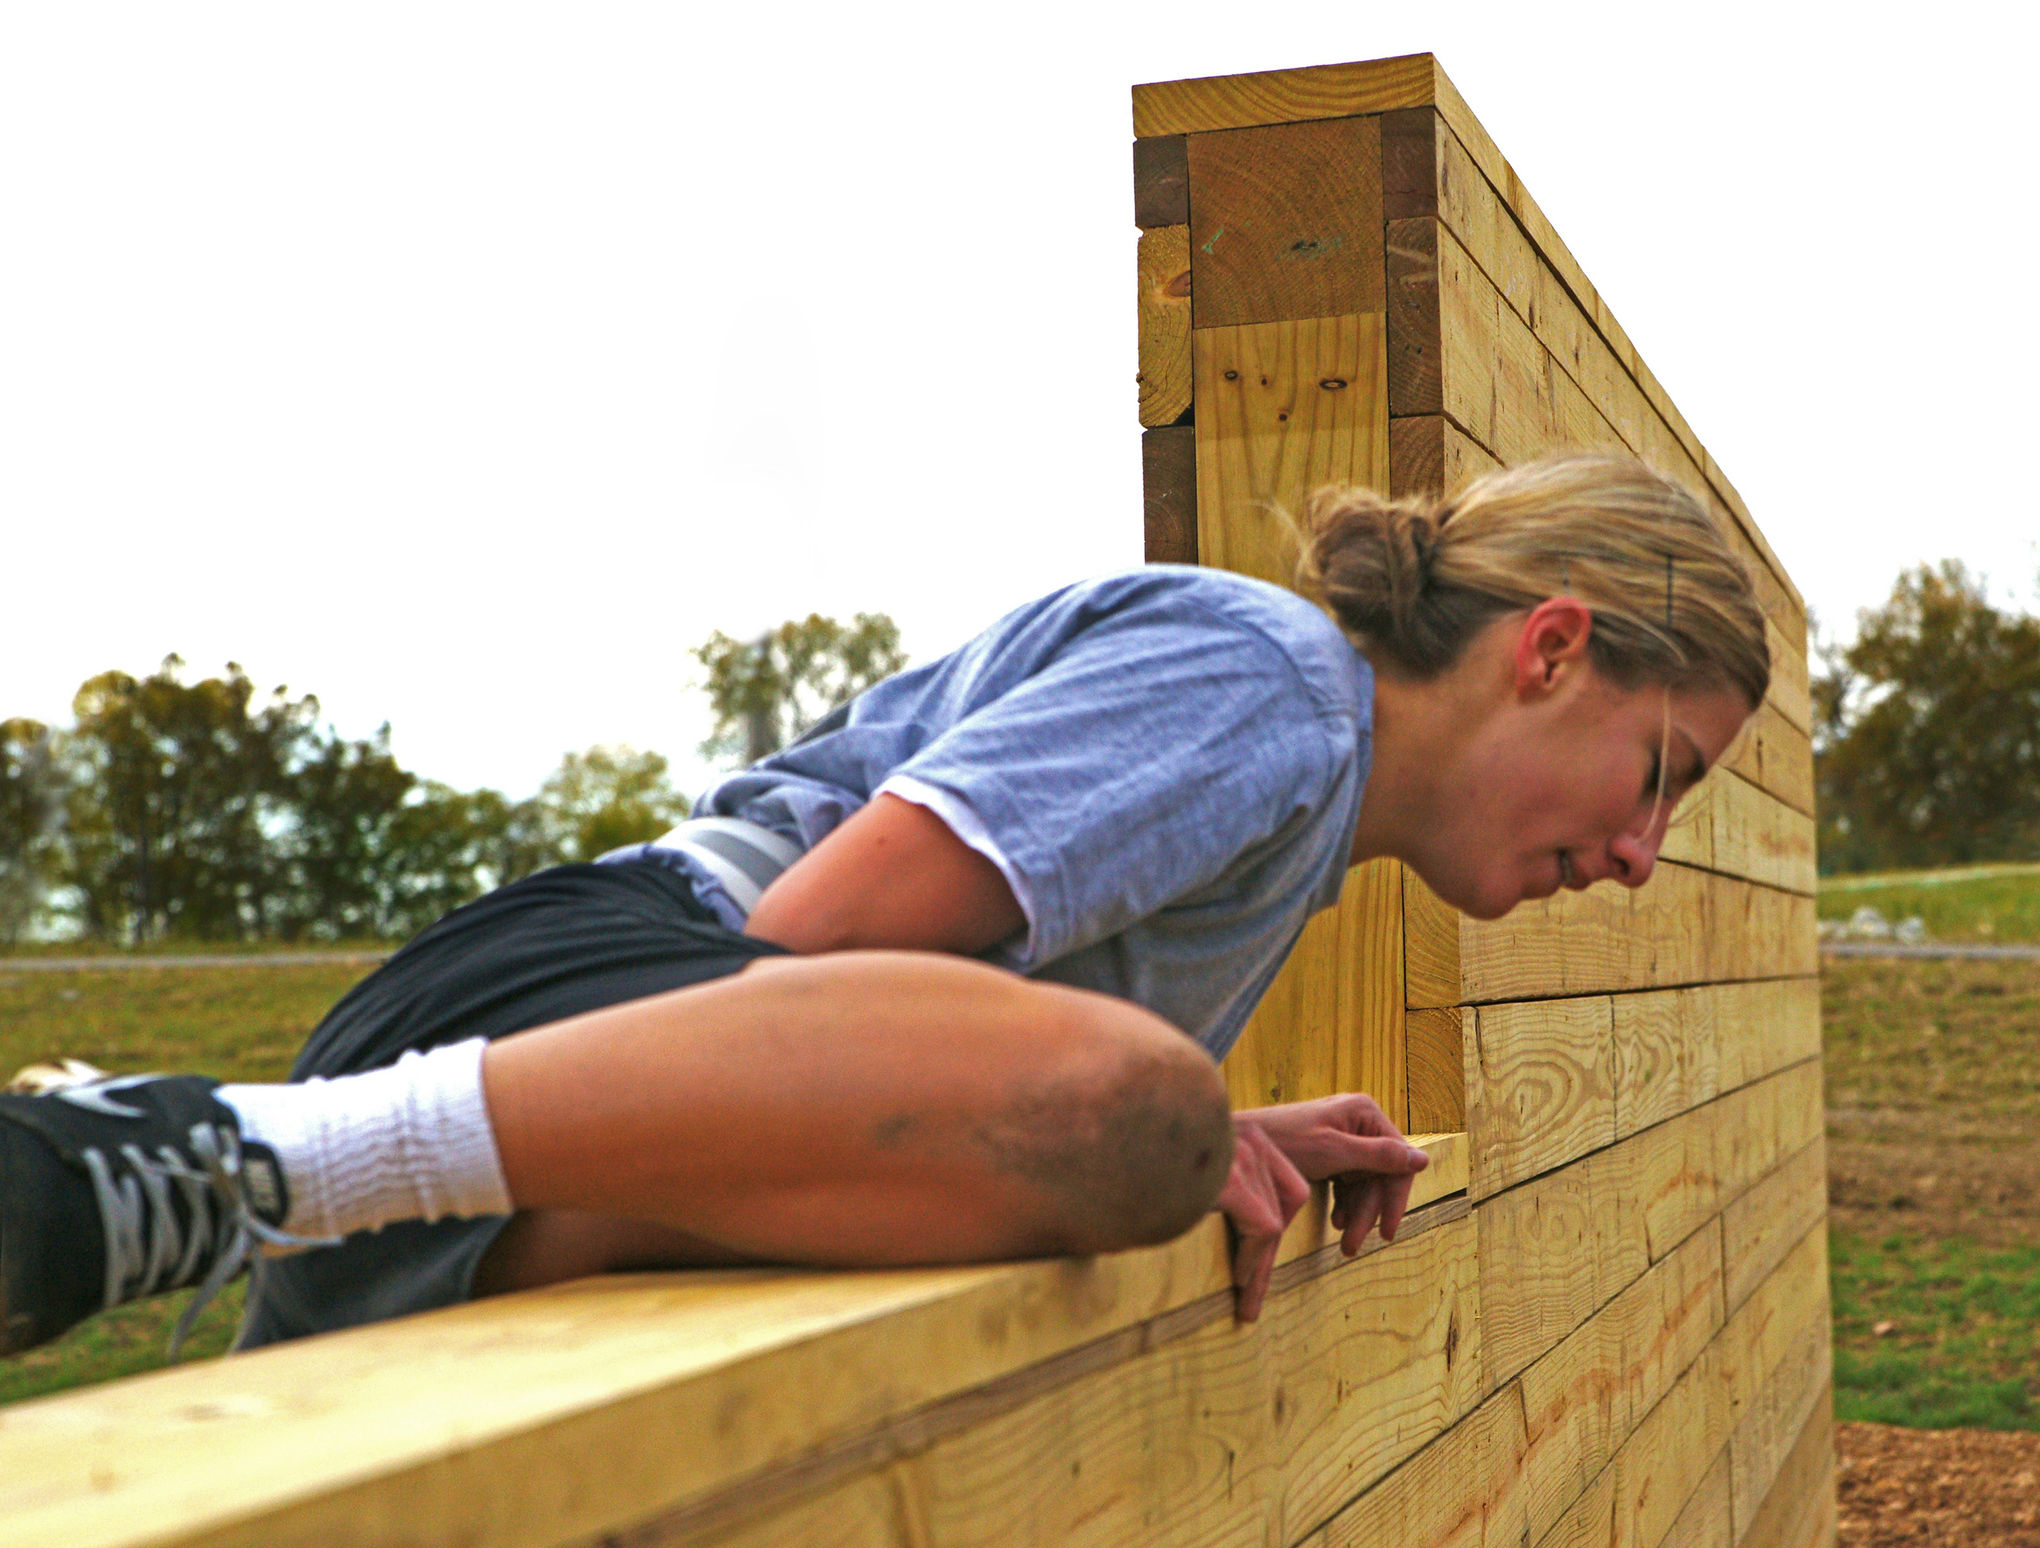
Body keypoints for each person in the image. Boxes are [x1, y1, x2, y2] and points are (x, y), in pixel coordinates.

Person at [0, 454, 1769, 1358]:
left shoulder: (1303, 800)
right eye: (1659, 774)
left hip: (582, 1087)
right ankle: (218, 1159)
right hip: (605, 993)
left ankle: (240, 1186)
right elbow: (810, 953)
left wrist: (1178, 1134)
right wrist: (1143, 1128)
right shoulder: (1275, 686)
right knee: (1129, 1122)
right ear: (1551, 648)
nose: (1639, 858)